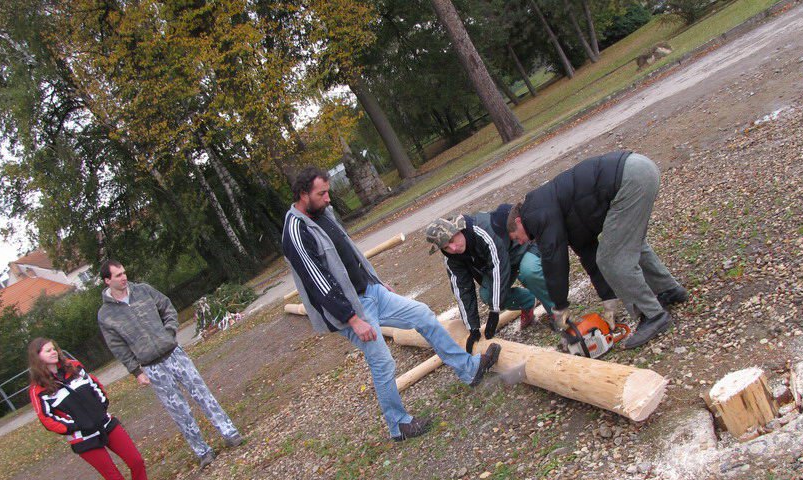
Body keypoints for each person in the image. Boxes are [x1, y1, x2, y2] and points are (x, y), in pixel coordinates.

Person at [283, 167, 501, 442]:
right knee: (382, 362)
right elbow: (320, 283)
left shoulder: (322, 213)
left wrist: (375, 280)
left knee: (422, 314)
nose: (328, 199)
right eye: (321, 193)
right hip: (351, 310)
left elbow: (348, 252)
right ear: (303, 194)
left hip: (372, 292)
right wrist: (353, 320)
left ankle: (470, 370)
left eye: (327, 192)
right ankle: (398, 426)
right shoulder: (295, 231)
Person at [507, 151, 688, 349]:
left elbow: (554, 259)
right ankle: (669, 290)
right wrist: (608, 299)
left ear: (518, 221)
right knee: (629, 244)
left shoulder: (535, 213)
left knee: (614, 258)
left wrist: (559, 305)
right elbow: (589, 256)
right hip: (640, 168)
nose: (522, 242)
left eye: (517, 237)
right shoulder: (555, 209)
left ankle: (654, 315)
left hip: (629, 180)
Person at [97, 260, 242, 468]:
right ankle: (203, 452)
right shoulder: (106, 315)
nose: (124, 277)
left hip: (174, 354)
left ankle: (229, 432)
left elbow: (167, 308)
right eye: (118, 275)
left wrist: (169, 332)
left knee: (202, 394)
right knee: (179, 411)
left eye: (124, 273)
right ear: (107, 280)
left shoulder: (143, 290)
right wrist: (136, 371)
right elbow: (117, 346)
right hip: (152, 367)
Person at [28, 338, 164, 480]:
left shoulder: (73, 367)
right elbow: (47, 419)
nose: (53, 352)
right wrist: (75, 426)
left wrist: (101, 408)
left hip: (106, 423)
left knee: (136, 461)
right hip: (83, 439)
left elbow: (96, 385)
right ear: (37, 357)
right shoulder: (38, 390)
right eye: (47, 351)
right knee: (114, 477)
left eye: (53, 349)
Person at [425, 204, 555, 352]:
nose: (453, 248)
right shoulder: (452, 258)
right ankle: (529, 301)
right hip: (501, 265)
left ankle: (556, 310)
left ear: (458, 230)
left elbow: (499, 265)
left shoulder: (481, 230)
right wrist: (472, 328)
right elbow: (462, 290)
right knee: (488, 295)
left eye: (453, 241)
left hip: (521, 249)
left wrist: (494, 311)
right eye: (447, 247)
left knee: (529, 271)